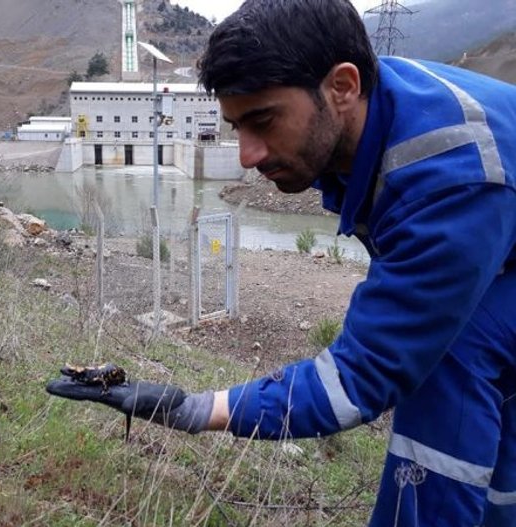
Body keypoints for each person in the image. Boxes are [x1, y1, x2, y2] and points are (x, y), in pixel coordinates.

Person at [47, 0, 516, 524]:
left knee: (452, 357)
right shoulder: (369, 112)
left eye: (262, 120)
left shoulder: (448, 176)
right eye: (235, 127)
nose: (246, 155)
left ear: (342, 86)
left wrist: (193, 409)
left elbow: (360, 378)